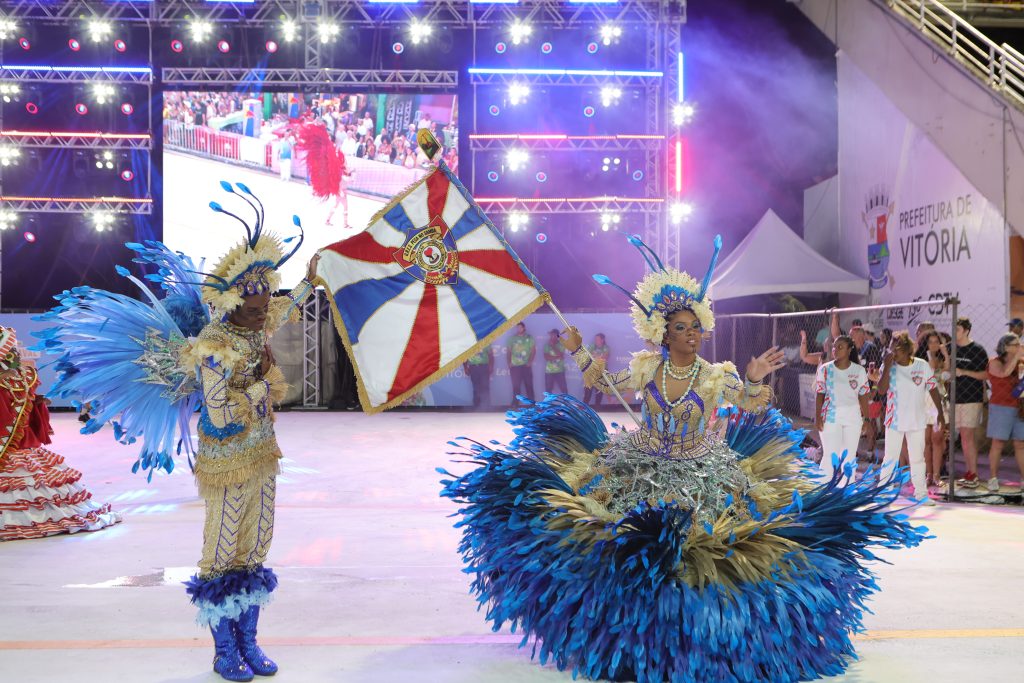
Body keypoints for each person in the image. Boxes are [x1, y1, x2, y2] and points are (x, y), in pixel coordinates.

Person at [439, 234, 927, 682]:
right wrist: (578, 351)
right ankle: (629, 638)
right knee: (628, 548)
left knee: (706, 554)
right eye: (681, 328)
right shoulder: (646, 368)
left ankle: (703, 641)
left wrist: (756, 377)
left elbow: (753, 402)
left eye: (696, 327)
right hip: (639, 466)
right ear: (662, 333)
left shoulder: (715, 375)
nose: (693, 335)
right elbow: (603, 385)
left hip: (703, 472)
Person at [34, 190, 317, 682]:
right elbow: (221, 410)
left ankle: (249, 640)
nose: (261, 311)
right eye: (251, 305)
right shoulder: (212, 346)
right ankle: (223, 650)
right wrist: (259, 387)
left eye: (264, 300)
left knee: (258, 544)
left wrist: (313, 277)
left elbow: (288, 309)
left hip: (265, 454)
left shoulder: (259, 320)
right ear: (230, 303)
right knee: (223, 550)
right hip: (226, 456)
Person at [0, 328, 121, 541]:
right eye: (11, 350)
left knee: (30, 485)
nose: (15, 353)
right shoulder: (19, 379)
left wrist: (37, 402)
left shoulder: (23, 378)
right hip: (14, 448)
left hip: (18, 449)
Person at [875, 333, 946, 505]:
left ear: (907, 350)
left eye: (896, 349)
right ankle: (885, 491)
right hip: (894, 420)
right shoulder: (889, 366)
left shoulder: (921, 366)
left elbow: (933, 389)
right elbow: (882, 391)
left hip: (916, 419)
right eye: (891, 348)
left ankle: (921, 494)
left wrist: (940, 413)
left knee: (917, 458)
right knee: (890, 457)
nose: (892, 352)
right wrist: (886, 366)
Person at [814, 335, 871, 484]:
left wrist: (867, 419)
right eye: (834, 347)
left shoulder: (859, 371)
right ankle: (822, 490)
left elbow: (864, 395)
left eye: (840, 347)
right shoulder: (825, 369)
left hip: (853, 418)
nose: (835, 350)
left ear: (849, 350)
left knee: (849, 456)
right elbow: (820, 393)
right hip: (830, 417)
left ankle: (846, 490)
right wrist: (818, 416)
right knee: (830, 455)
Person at [952, 317, 989, 488]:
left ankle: (972, 473)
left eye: (958, 329)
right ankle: (969, 472)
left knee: (967, 436)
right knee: (963, 437)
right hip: (955, 398)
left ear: (966, 330)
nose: (955, 332)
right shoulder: (951, 348)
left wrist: (964, 372)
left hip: (971, 398)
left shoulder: (977, 350)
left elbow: (985, 375)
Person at [985, 333, 1024, 492]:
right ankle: (993, 478)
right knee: (998, 443)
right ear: (1006, 347)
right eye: (1015, 345)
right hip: (1001, 407)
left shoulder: (1021, 363)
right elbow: (1004, 373)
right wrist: (1017, 358)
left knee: (1020, 444)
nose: (1019, 347)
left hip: (1020, 408)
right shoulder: (994, 362)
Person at [916, 330, 950, 486]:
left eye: (937, 341)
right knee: (925, 441)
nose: (934, 344)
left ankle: (936, 475)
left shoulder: (941, 359)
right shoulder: (920, 361)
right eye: (931, 342)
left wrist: (945, 354)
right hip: (923, 401)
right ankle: (928, 474)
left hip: (938, 403)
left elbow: (947, 372)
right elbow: (931, 369)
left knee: (937, 440)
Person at [506, 323, 535, 405]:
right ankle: (515, 403)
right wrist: (509, 362)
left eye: (520, 327)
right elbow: (508, 352)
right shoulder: (512, 339)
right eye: (517, 327)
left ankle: (532, 403)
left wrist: (530, 362)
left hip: (526, 366)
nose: (518, 329)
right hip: (515, 366)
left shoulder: (529, 338)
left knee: (529, 385)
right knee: (516, 386)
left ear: (524, 328)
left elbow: (533, 351)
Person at [582, 333, 609, 406]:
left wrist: (594, 356)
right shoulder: (592, 346)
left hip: (601, 372)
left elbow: (604, 358)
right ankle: (585, 407)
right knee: (587, 390)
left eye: (598, 339)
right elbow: (588, 357)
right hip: (591, 371)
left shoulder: (606, 347)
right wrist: (598, 356)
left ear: (602, 340)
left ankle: (598, 408)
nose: (596, 341)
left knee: (599, 391)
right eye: (595, 339)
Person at [463, 345, 493, 410]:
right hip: (473, 367)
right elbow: (464, 357)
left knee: (485, 386)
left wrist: (491, 366)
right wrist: (465, 368)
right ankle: (476, 405)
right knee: (476, 387)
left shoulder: (486, 342)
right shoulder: (468, 344)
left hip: (484, 367)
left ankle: (487, 405)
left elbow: (491, 355)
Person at [543, 329, 567, 395]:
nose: (551, 336)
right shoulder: (546, 345)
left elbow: (561, 355)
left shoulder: (561, 344)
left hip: (560, 371)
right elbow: (546, 357)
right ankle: (548, 405)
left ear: (557, 336)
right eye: (550, 335)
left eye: (552, 335)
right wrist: (557, 357)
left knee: (564, 390)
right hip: (549, 371)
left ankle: (566, 404)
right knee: (548, 391)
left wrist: (553, 346)